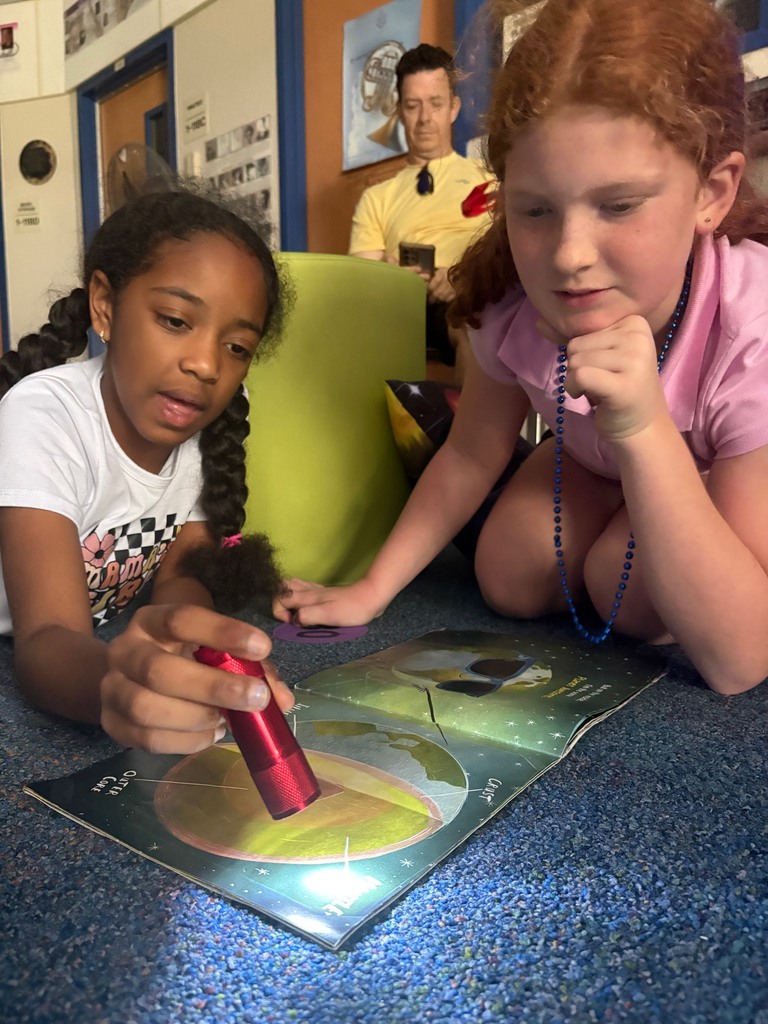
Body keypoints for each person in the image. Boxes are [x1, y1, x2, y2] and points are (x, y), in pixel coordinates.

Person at [276, 0, 768, 696]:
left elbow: (743, 658)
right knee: (508, 572)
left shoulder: (753, 326)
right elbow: (472, 453)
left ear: (711, 194)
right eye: (535, 210)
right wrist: (371, 588)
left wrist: (641, 426)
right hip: (588, 465)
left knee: (620, 585)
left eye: (619, 205)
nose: (568, 256)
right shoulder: (510, 300)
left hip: (712, 477)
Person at [0, 188, 295, 752]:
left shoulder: (206, 426)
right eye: (175, 320)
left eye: (236, 347)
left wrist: (196, 649)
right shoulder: (44, 414)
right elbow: (44, 639)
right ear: (105, 307)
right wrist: (117, 682)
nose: (207, 364)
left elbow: (181, 575)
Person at [349, 43, 493, 378]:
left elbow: (512, 252)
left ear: (454, 108)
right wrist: (392, 277)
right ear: (399, 111)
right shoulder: (377, 197)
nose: (425, 119)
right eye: (413, 106)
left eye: (436, 104)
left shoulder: (488, 179)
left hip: (470, 300)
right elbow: (360, 281)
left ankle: (468, 430)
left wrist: (464, 276)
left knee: (470, 320)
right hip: (399, 307)